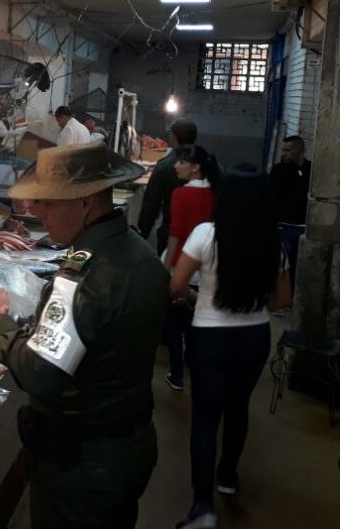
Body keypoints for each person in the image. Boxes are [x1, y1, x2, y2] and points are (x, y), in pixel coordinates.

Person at [0, 142, 168, 529]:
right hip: (128, 445)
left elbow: (42, 375)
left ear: (85, 203)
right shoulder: (138, 251)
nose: (35, 211)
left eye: (47, 203)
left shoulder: (83, 276)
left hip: (83, 463)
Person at [170, 165, 292, 529]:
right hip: (254, 337)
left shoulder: (205, 235)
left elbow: (176, 285)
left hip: (210, 337)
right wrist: (253, 307)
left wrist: (197, 301)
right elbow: (283, 299)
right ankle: (227, 476)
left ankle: (202, 506)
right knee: (238, 408)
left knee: (205, 419)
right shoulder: (274, 244)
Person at [163, 145, 219, 391]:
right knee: (196, 320)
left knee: (175, 324)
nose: (176, 166)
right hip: (208, 266)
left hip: (182, 264)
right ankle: (195, 367)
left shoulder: (181, 194)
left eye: (182, 162)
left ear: (196, 167)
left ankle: (176, 375)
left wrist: (168, 266)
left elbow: (175, 233)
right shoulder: (216, 192)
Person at [138, 118, 198, 254]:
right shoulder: (210, 165)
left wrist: (142, 235)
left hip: (170, 233)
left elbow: (151, 206)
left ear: (173, 137)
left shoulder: (164, 166)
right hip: (201, 235)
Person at [270, 135, 312, 287]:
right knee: (284, 265)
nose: (284, 154)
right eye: (283, 150)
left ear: (300, 151)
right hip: (284, 226)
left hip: (304, 227)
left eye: (287, 150)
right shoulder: (279, 170)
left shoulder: (311, 170)